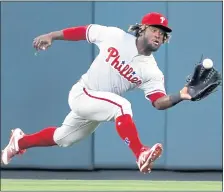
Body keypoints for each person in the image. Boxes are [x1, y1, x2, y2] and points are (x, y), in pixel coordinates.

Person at [1, 12, 191, 174]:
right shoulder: (115, 36)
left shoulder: (153, 71)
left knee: (63, 138)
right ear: (142, 28)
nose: (159, 35)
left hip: (99, 106)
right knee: (122, 106)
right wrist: (52, 35)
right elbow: (84, 32)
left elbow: (158, 102)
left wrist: (180, 96)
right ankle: (140, 152)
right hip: (83, 93)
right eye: (155, 30)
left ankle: (19, 142)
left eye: (163, 33)